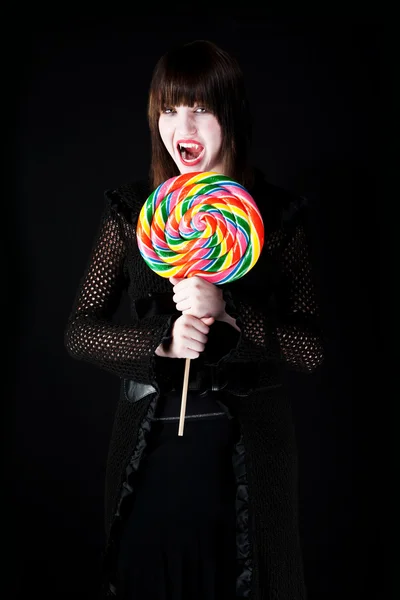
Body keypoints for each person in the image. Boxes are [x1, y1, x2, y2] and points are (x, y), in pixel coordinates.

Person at [64, 39, 324, 600]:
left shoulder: (276, 217)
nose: (182, 124)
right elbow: (79, 332)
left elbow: (312, 349)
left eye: (201, 108)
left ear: (230, 114)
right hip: (151, 456)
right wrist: (161, 341)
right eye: (168, 108)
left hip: (248, 464)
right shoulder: (135, 212)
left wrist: (230, 315)